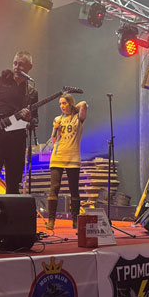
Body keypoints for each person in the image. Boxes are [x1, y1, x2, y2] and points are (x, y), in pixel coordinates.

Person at [0, 51, 38, 194]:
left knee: (13, 188)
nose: (16, 67)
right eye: (15, 63)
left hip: (17, 143)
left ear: (29, 67)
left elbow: (36, 120)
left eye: (21, 64)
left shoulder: (31, 92)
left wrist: (29, 118)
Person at [45, 93, 88, 230]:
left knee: (74, 189)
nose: (62, 106)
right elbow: (53, 140)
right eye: (60, 104)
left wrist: (74, 108)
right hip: (57, 156)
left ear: (70, 103)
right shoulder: (57, 119)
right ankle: (51, 220)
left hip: (72, 157)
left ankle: (75, 220)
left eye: (64, 103)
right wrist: (55, 128)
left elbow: (84, 104)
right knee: (54, 188)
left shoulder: (78, 118)